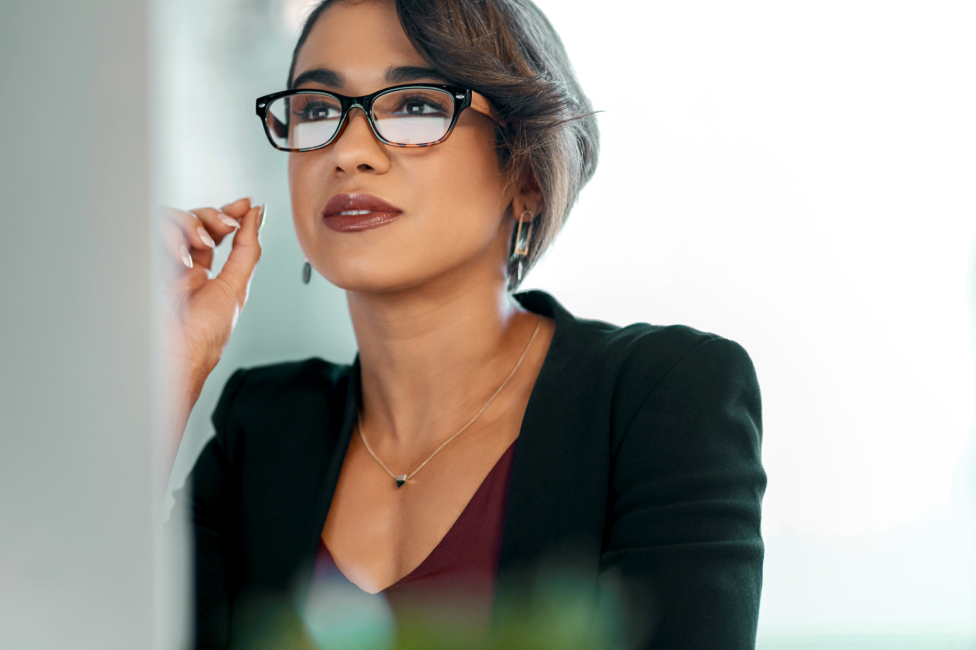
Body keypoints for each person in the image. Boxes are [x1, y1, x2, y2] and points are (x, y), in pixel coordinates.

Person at [160, 0, 767, 648]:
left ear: (527, 174)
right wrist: (167, 373)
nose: (349, 151)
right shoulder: (264, 427)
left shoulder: (660, 396)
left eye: (416, 105)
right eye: (316, 111)